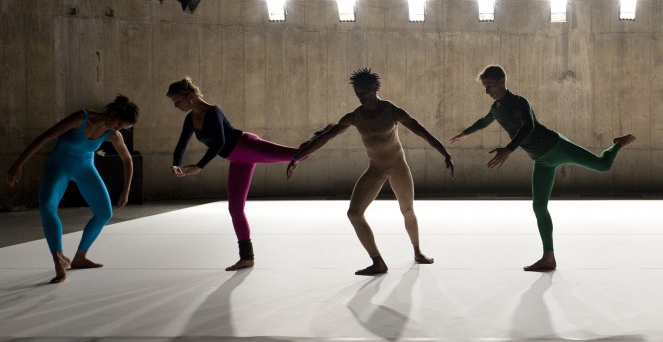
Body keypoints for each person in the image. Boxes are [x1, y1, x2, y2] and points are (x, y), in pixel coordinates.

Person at [450, 64, 636, 272]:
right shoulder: (496, 109)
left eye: (490, 85)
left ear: (502, 81)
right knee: (539, 207)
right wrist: (465, 133)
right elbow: (483, 121)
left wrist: (509, 149)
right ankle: (549, 258)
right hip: (541, 160)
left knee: (603, 166)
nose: (487, 91)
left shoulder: (519, 102)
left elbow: (528, 127)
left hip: (556, 146)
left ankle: (618, 144)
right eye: (484, 87)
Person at [287, 68, 454, 276]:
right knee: (354, 213)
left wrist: (444, 152)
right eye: (357, 92)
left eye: (365, 91)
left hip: (397, 166)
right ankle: (378, 262)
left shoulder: (392, 110)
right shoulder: (354, 117)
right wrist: (297, 157)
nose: (361, 96)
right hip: (375, 168)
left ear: (376, 88)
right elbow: (325, 137)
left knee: (407, 210)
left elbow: (421, 131)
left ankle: (418, 252)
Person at [168, 76, 309, 271]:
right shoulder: (190, 119)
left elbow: (219, 143)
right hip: (237, 159)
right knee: (235, 209)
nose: (176, 105)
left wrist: (200, 166)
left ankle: (322, 136)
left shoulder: (213, 111)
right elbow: (182, 144)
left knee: (299, 155)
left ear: (190, 96)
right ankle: (247, 257)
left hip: (247, 146)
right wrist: (176, 164)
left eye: (177, 101)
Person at [6, 95, 138, 283]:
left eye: (121, 128)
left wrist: (126, 191)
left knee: (104, 213)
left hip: (85, 168)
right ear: (113, 113)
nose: (117, 129)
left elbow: (127, 160)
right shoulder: (81, 118)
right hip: (59, 167)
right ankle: (58, 257)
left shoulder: (112, 134)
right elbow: (44, 137)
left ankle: (79, 257)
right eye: (118, 124)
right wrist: (18, 164)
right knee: (47, 207)